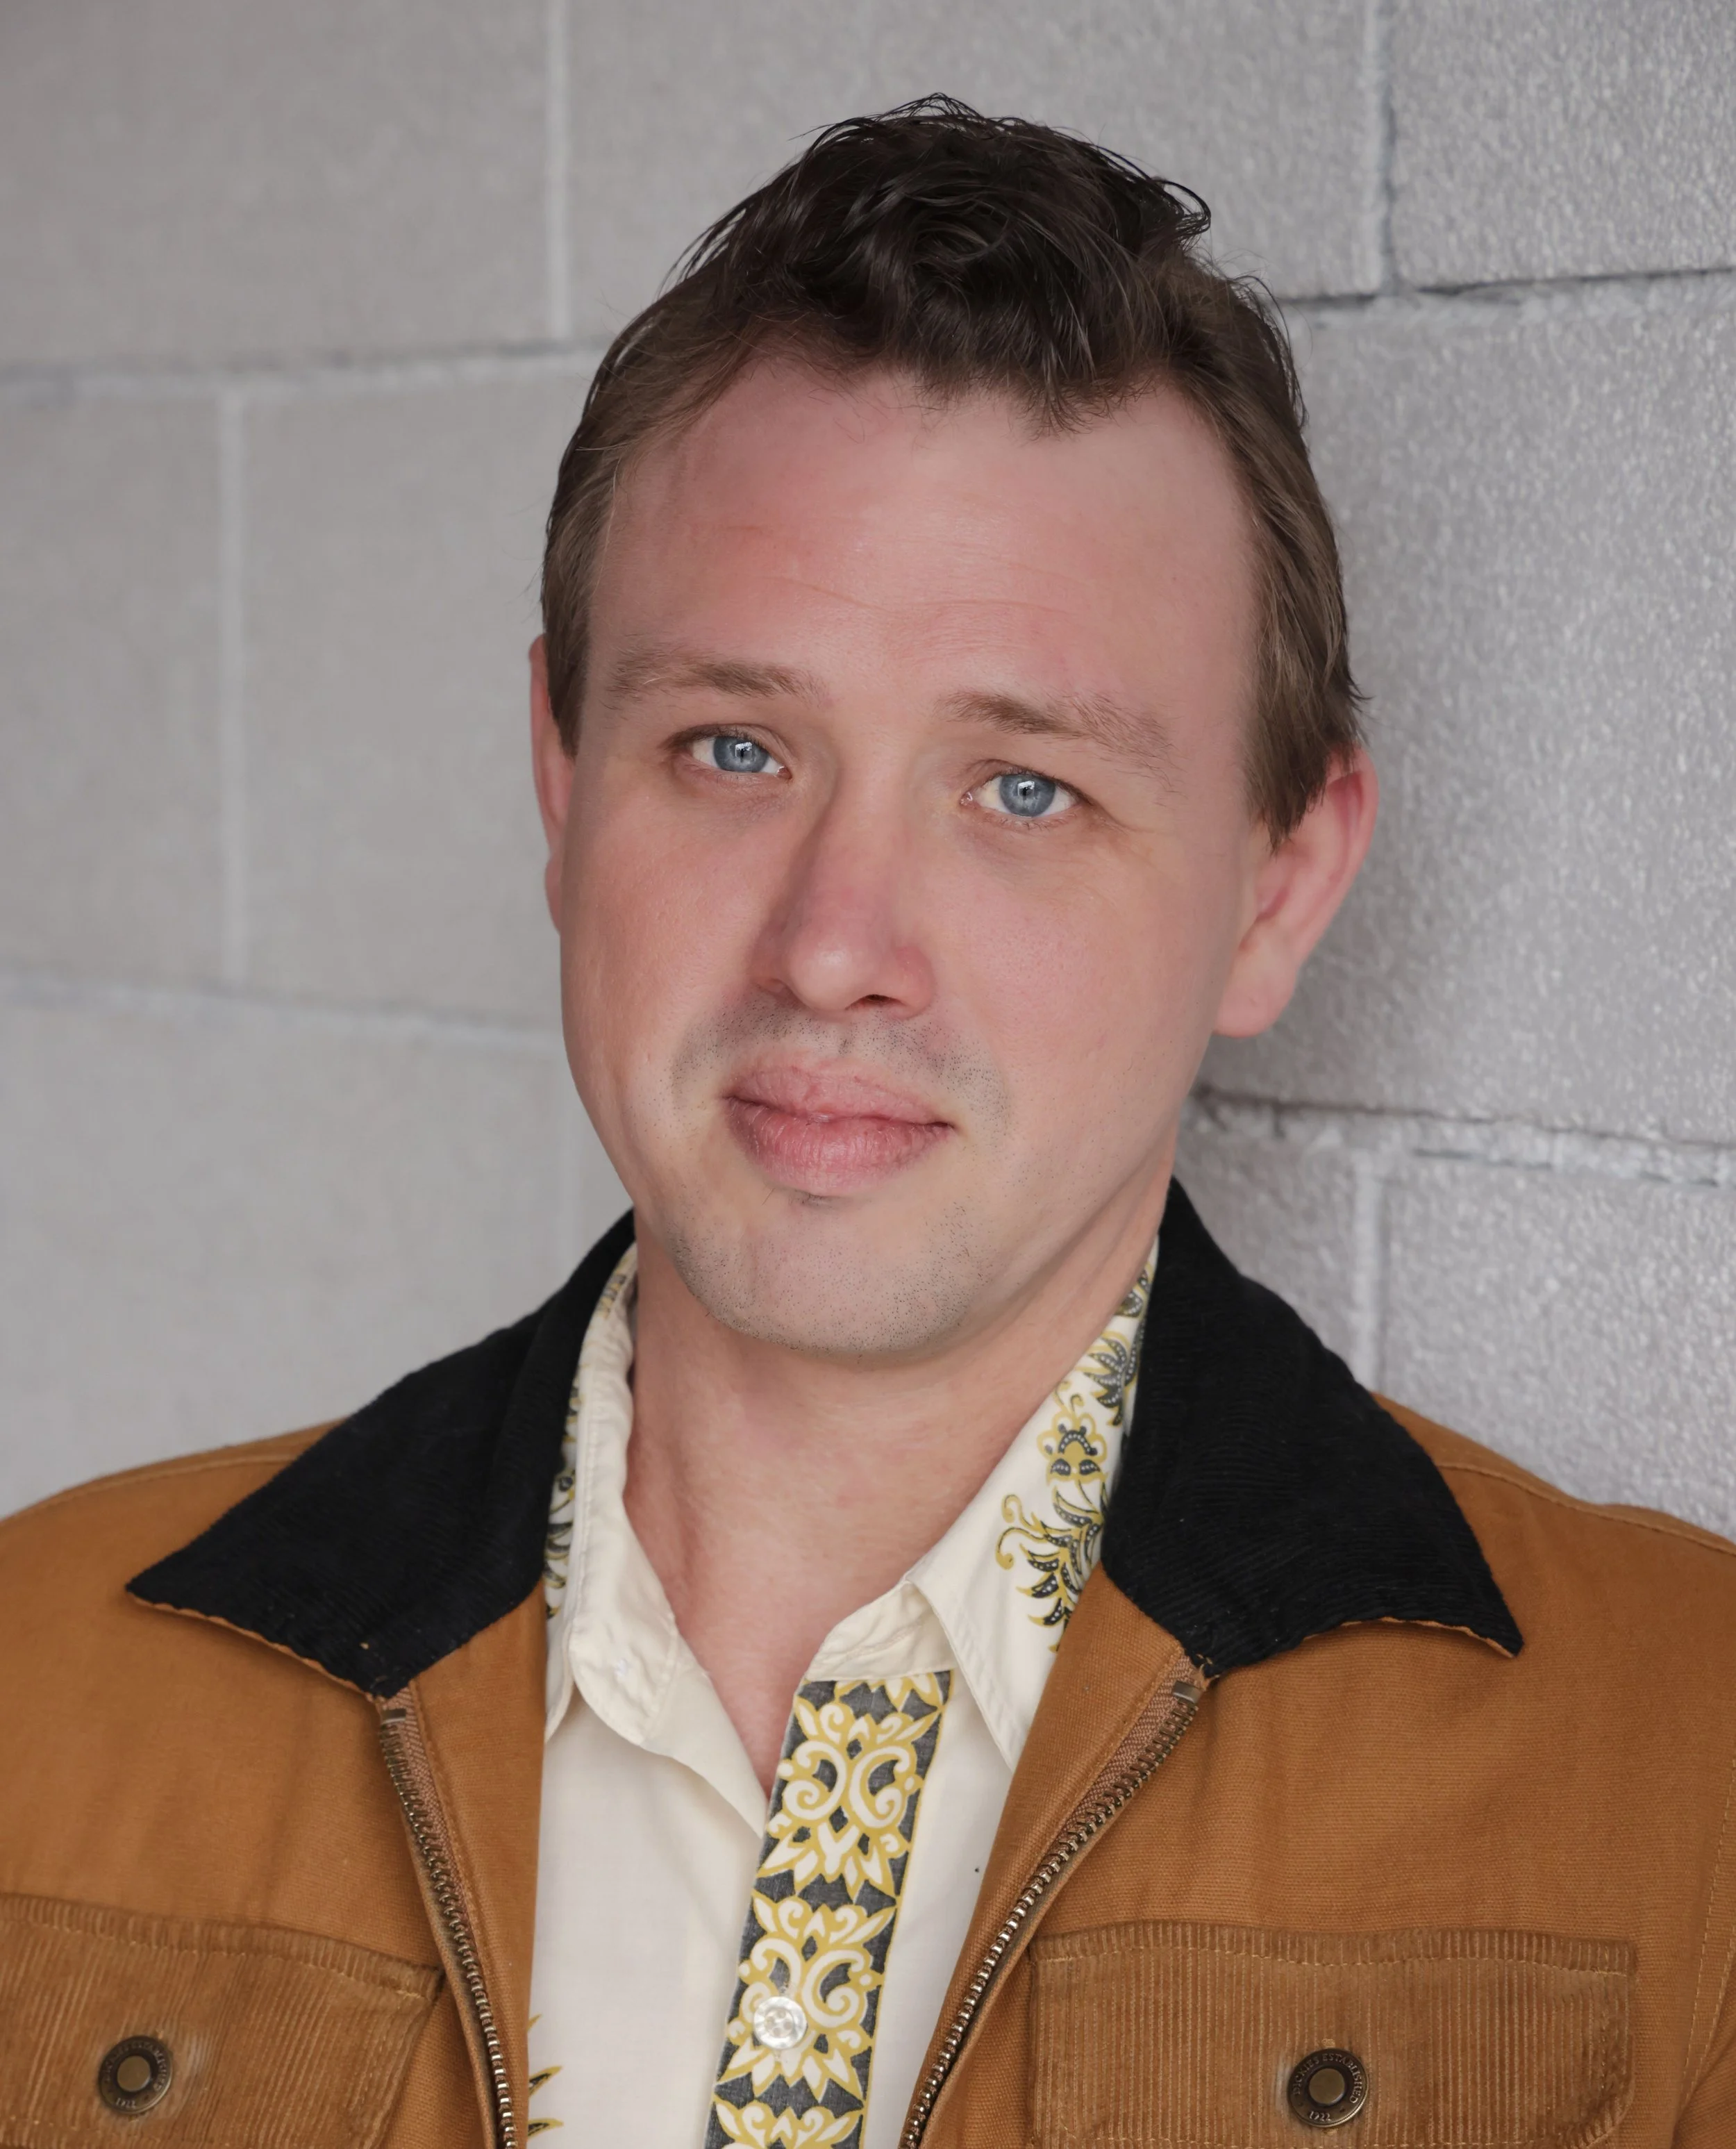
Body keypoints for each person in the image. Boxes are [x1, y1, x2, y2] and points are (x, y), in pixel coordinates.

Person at [3, 97, 1733, 2149]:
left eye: (1024, 789)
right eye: (733, 748)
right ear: (563, 783)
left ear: (1277, 890)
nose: (834, 948)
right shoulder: (41, 1689)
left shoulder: (1678, 1777)